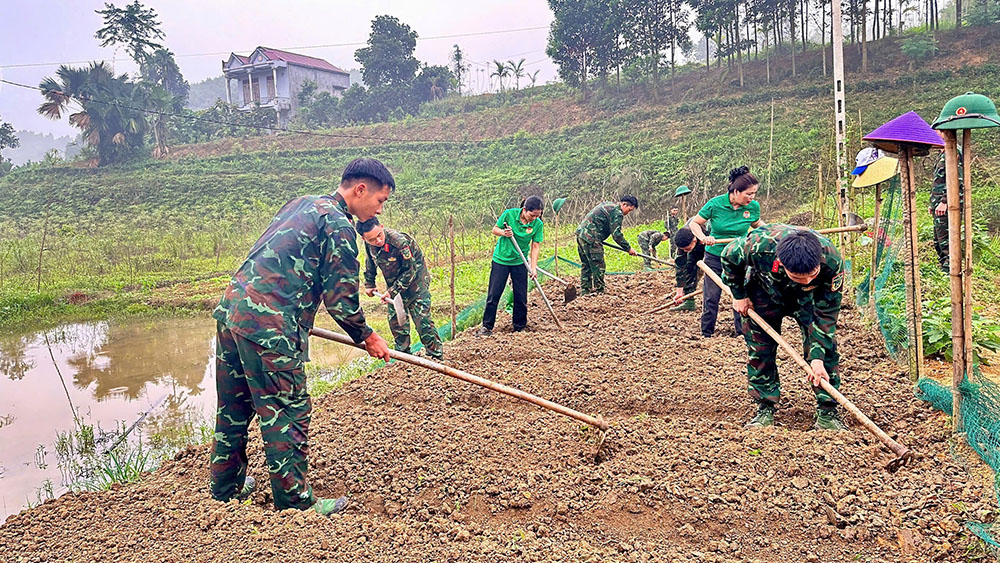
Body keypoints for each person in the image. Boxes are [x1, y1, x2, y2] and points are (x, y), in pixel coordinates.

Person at [210, 157, 394, 516]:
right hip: (270, 329)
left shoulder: (302, 204)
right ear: (360, 190)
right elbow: (341, 301)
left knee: (233, 408)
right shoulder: (339, 226)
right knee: (287, 413)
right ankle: (295, 504)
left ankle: (225, 488)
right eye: (380, 200)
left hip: (233, 313)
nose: (379, 210)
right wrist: (368, 337)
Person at [721, 224, 846, 431]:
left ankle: (827, 411)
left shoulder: (831, 261)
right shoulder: (759, 246)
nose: (806, 280)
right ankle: (765, 407)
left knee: (827, 350)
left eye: (812, 275)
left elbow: (826, 314)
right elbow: (728, 256)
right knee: (760, 348)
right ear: (781, 262)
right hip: (763, 292)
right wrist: (739, 295)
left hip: (809, 300)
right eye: (799, 277)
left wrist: (817, 358)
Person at [690, 166, 764, 337]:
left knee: (740, 295)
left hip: (739, 257)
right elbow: (695, 223)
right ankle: (706, 333)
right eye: (749, 194)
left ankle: (741, 332)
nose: (752, 197)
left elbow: (757, 224)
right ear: (736, 191)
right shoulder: (715, 204)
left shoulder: (752, 207)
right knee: (711, 296)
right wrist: (703, 237)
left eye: (754, 194)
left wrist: (773, 232)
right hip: (715, 256)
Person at [359, 218, 443, 360]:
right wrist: (370, 284)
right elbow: (370, 263)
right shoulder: (369, 244)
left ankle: (436, 357)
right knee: (397, 324)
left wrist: (391, 292)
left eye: (379, 235)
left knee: (423, 323)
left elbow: (411, 270)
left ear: (382, 227)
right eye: (372, 239)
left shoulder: (399, 242)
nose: (378, 241)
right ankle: (404, 359)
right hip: (394, 286)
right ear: (364, 238)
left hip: (416, 284)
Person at [478, 196, 545, 336]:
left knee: (521, 295)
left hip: (520, 261)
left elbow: (535, 246)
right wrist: (504, 233)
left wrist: (533, 268)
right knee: (494, 294)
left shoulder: (537, 224)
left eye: (537, 216)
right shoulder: (509, 214)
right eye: (532, 215)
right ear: (524, 210)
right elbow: (495, 229)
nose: (534, 218)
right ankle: (487, 327)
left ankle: (519, 327)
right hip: (501, 260)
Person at [576, 195, 639, 294]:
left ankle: (585, 290)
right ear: (624, 204)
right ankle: (600, 291)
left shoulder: (609, 205)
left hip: (581, 235)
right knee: (598, 264)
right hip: (591, 237)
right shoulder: (617, 212)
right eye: (629, 210)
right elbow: (616, 235)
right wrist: (628, 248)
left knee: (586, 264)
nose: (628, 213)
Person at [929, 147, 964, 272]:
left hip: (949, 205)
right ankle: (944, 272)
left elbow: (956, 179)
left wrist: (945, 201)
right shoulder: (941, 153)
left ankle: (950, 272)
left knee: (947, 242)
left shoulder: (953, 150)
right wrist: (933, 203)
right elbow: (939, 181)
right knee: (938, 241)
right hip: (938, 204)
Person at [669, 223, 709, 311]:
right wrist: (679, 292)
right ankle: (689, 300)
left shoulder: (707, 229)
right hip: (697, 245)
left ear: (694, 240)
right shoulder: (683, 238)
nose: (685, 251)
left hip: (712, 243)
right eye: (683, 249)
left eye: (687, 249)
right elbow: (680, 266)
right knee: (690, 267)